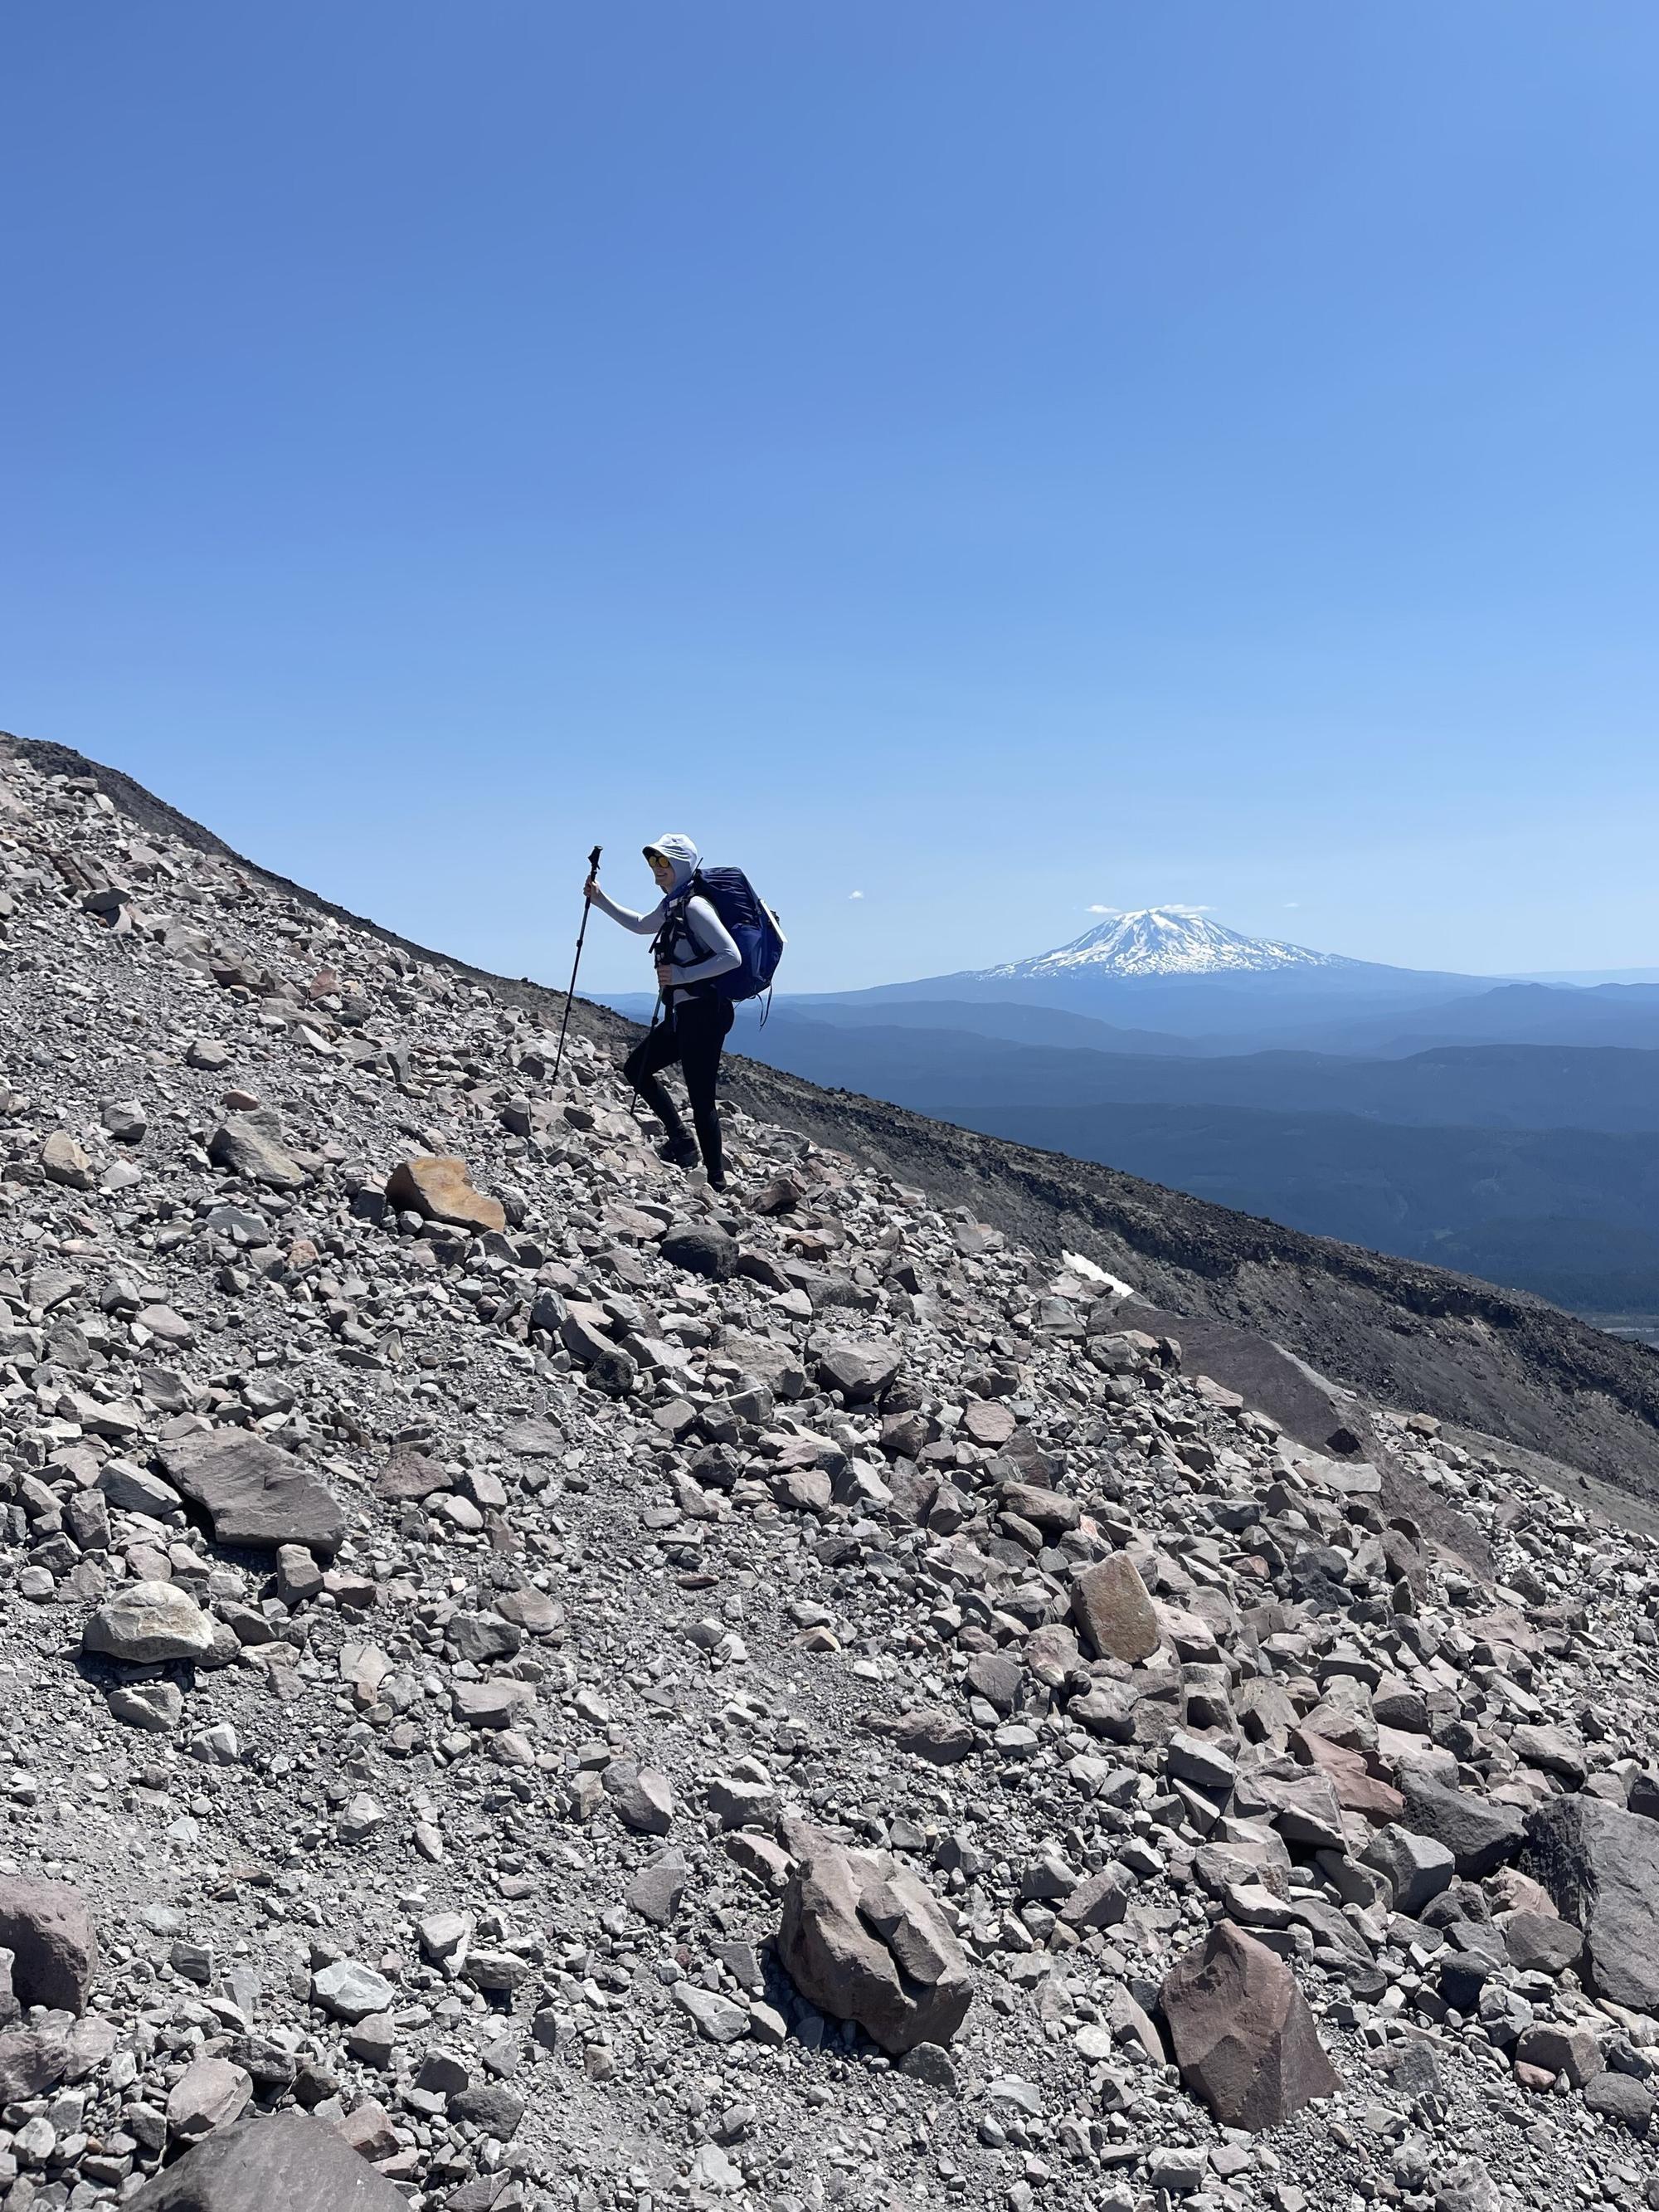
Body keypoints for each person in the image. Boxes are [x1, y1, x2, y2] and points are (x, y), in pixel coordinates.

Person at [585, 834, 741, 1190]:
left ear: (682, 865)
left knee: (701, 1098)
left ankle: (716, 1181)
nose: (657, 868)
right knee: (636, 1068)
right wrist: (600, 899)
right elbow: (642, 924)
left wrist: (682, 975)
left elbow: (731, 956)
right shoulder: (674, 904)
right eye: (654, 861)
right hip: (683, 1014)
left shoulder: (695, 906)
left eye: (665, 861)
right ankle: (682, 1141)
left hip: (704, 1015)